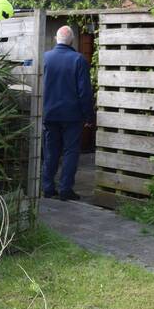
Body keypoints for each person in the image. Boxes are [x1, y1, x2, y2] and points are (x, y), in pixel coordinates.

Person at [41, 25, 94, 200]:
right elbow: (84, 91)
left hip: (49, 114)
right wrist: (88, 116)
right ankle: (65, 189)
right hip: (72, 116)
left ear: (57, 39)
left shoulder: (45, 58)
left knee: (51, 151)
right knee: (71, 152)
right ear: (71, 40)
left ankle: (47, 187)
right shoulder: (78, 60)